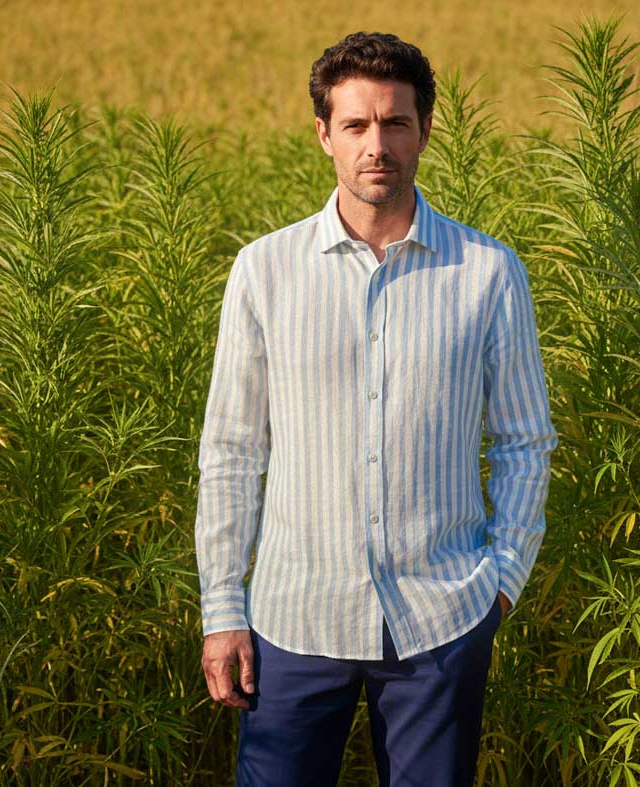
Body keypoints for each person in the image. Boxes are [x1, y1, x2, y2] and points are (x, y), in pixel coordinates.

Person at [194, 31, 558, 787]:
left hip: (441, 619)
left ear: (425, 129)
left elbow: (525, 439)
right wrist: (222, 607)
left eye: (395, 122)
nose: (376, 144)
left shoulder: (488, 274)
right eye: (356, 124)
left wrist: (501, 582)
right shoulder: (264, 272)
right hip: (293, 621)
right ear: (324, 133)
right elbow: (232, 450)